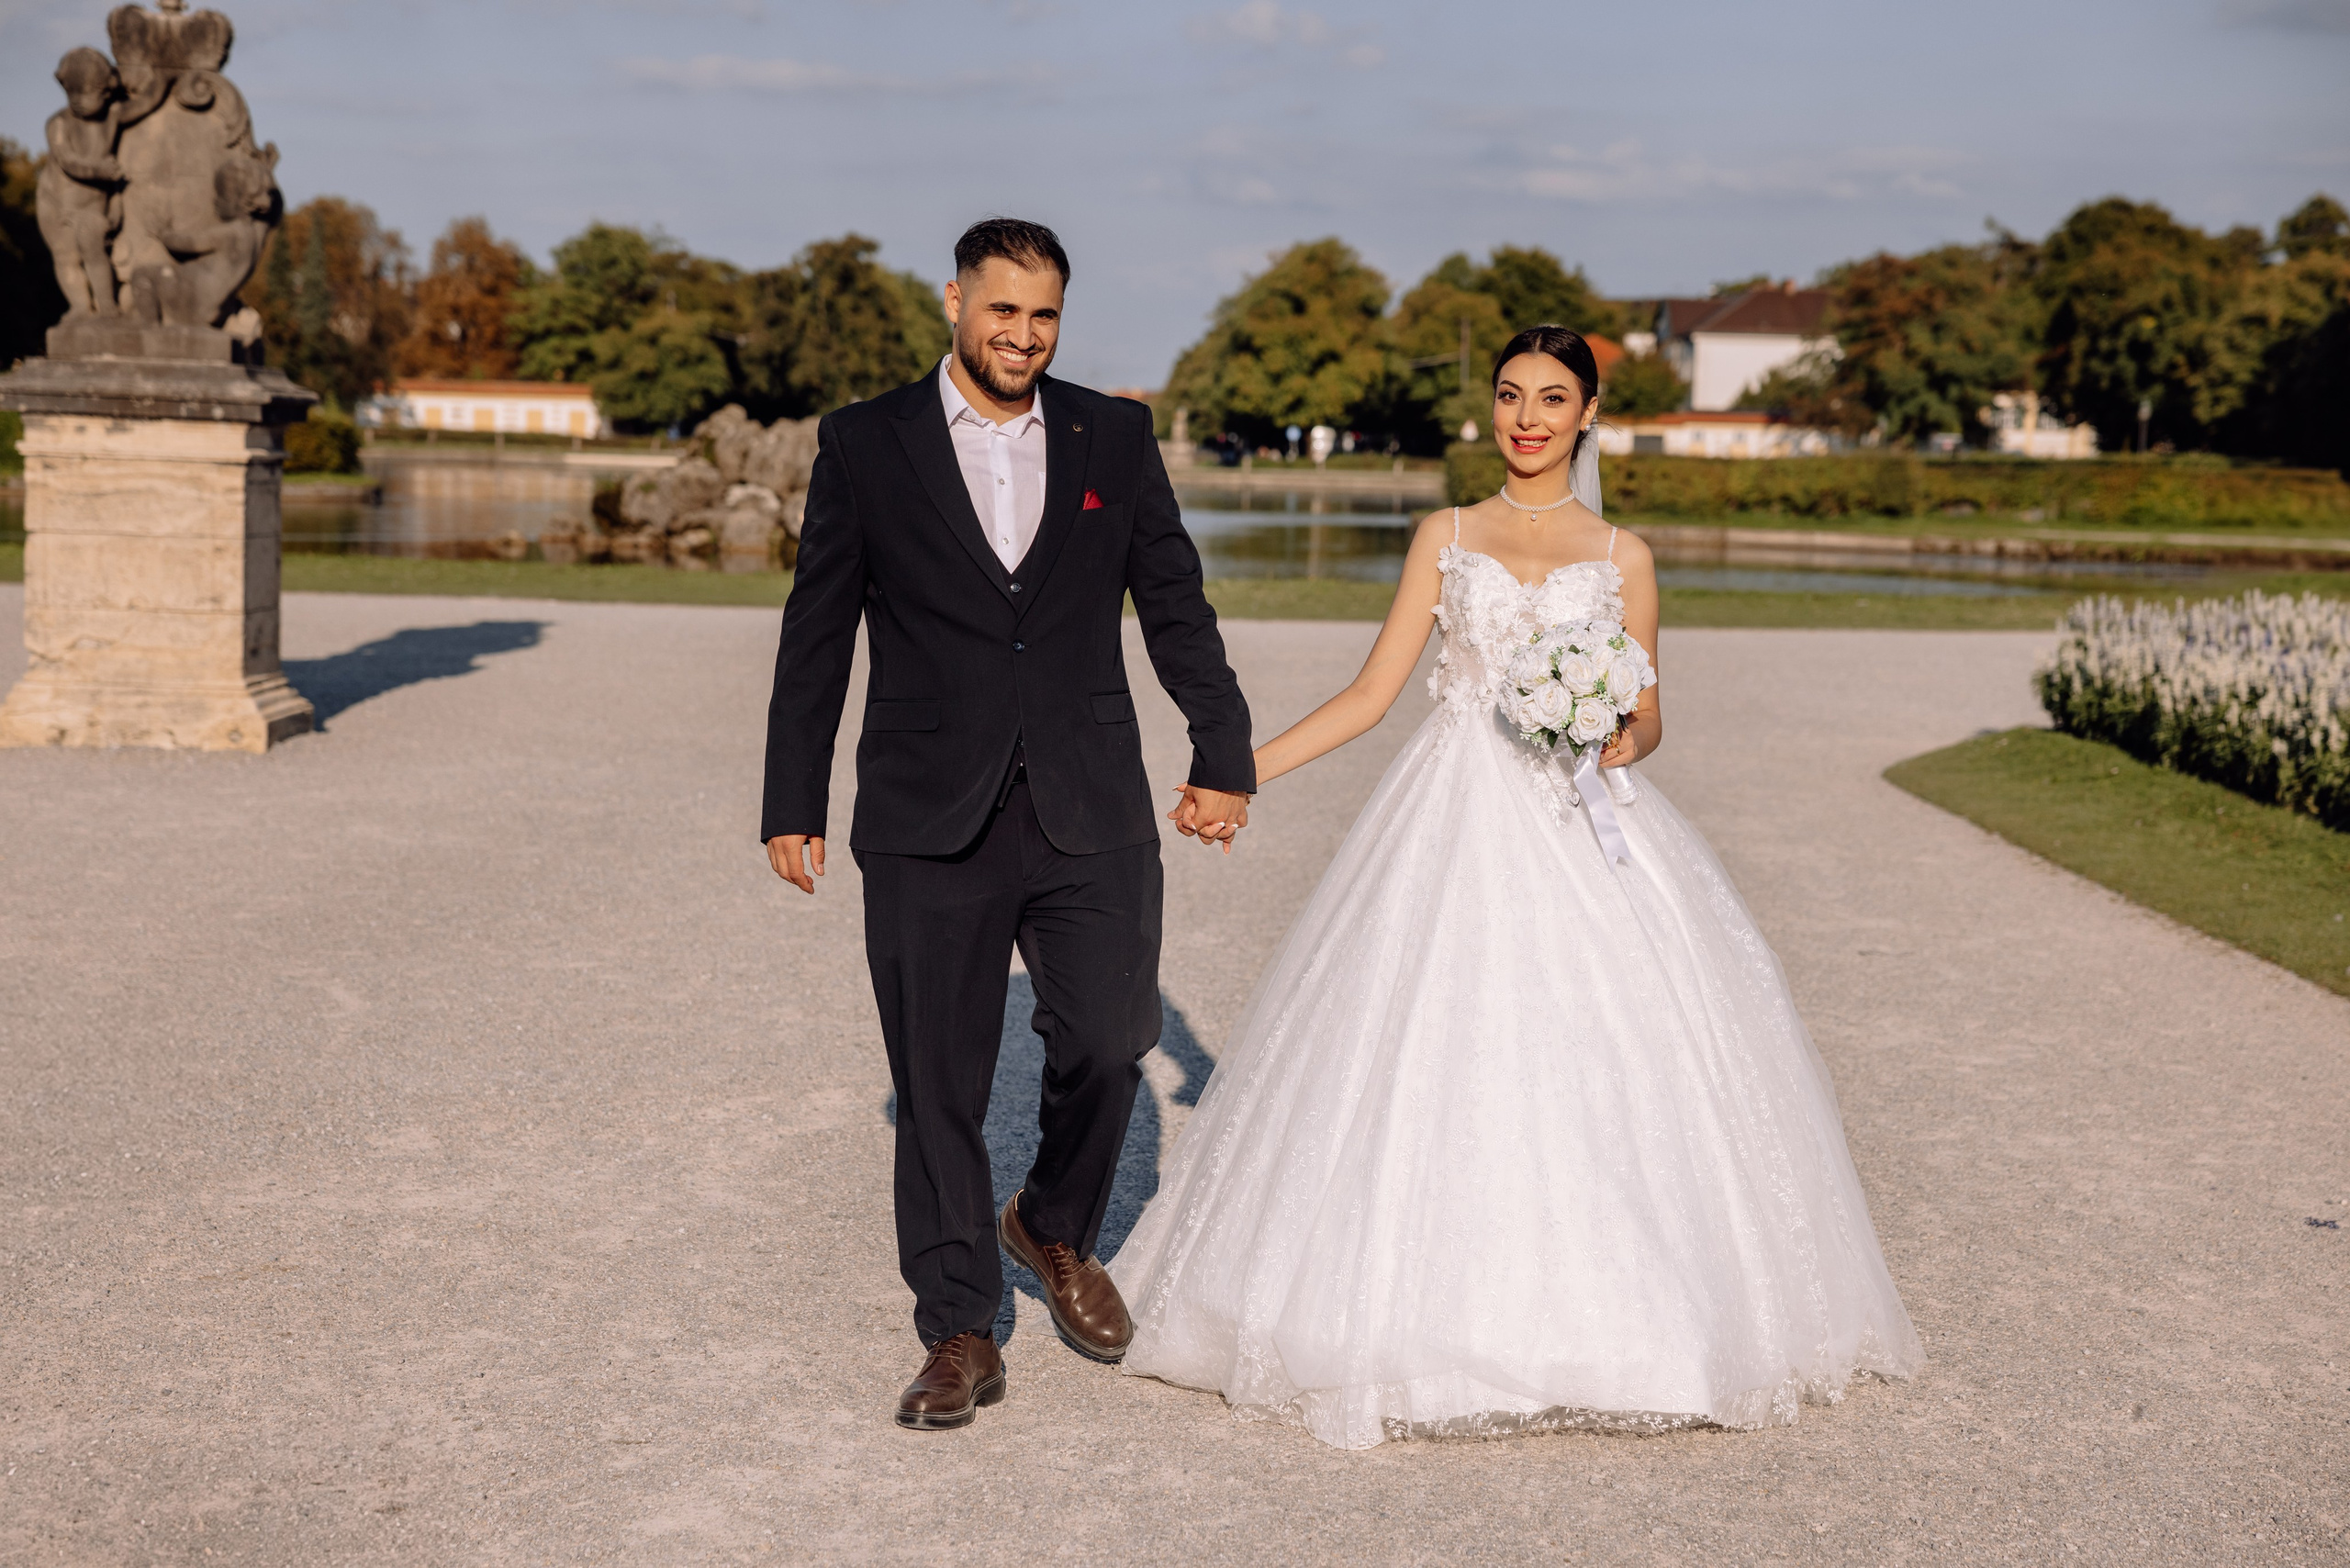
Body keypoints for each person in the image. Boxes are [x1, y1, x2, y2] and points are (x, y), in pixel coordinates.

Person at [1109, 325, 1923, 1450]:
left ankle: (1635, 1320)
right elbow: (1370, 693)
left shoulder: (1623, 555)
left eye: (1551, 398)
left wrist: (1608, 725)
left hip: (1574, 816)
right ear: (1489, 409)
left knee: (1607, 1056)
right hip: (1453, 817)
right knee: (1433, 1045)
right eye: (1508, 395)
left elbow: (1649, 713)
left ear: (1588, 414)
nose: (1526, 417)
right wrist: (1233, 775)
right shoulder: (1443, 535)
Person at [760, 218, 1255, 1432]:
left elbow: (1174, 602)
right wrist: (792, 796)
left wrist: (1223, 744)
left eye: (1044, 318)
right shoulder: (867, 442)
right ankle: (961, 1330)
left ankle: (1051, 1223)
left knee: (1110, 1034)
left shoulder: (1115, 435)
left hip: (1088, 797)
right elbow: (818, 626)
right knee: (938, 1084)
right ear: (954, 302)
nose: (1023, 338)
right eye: (1003, 313)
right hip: (930, 812)